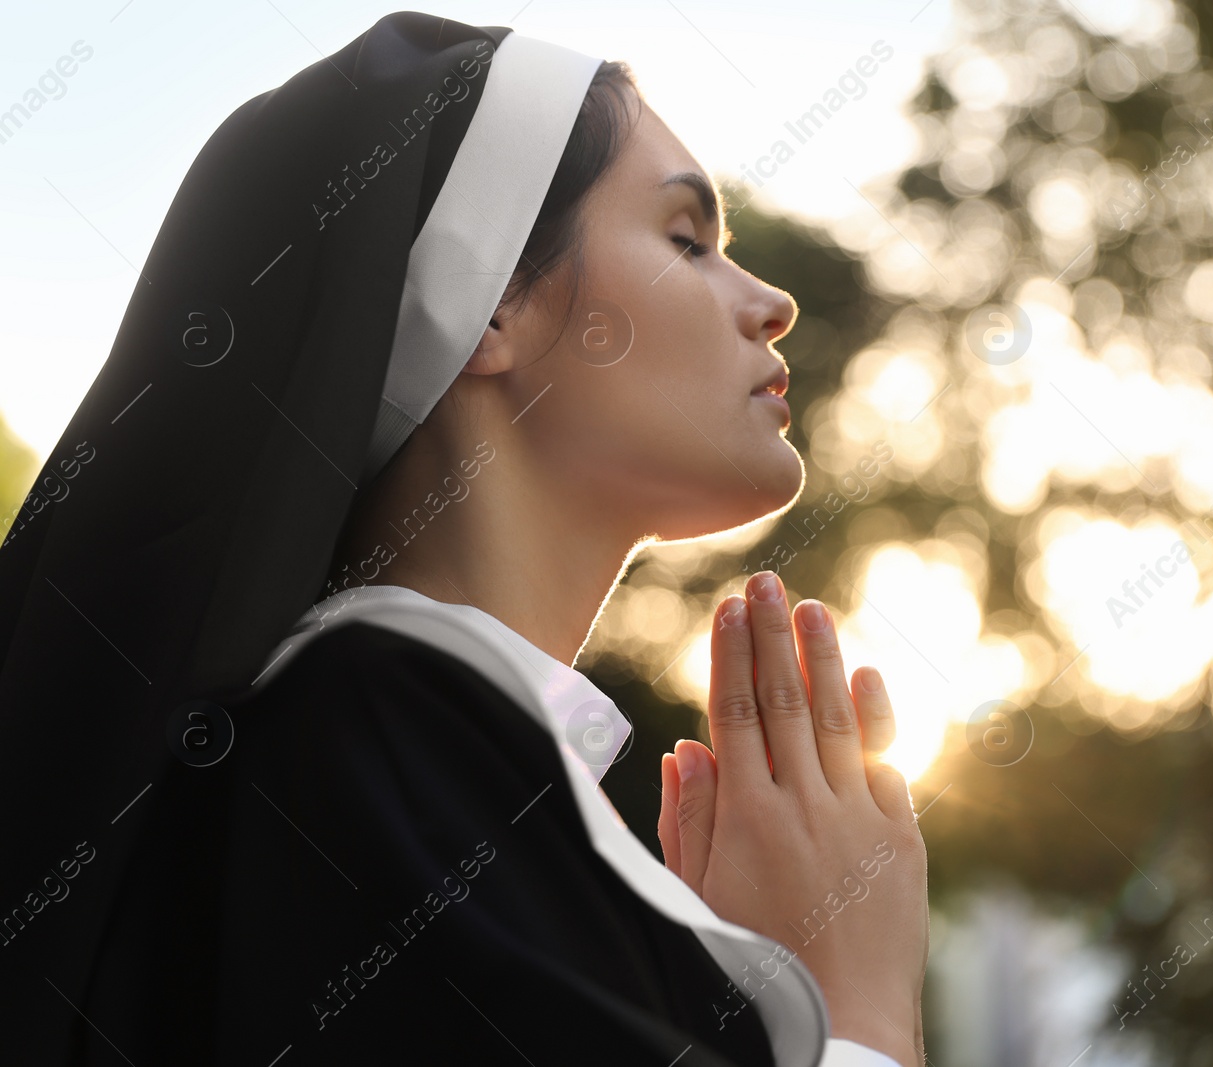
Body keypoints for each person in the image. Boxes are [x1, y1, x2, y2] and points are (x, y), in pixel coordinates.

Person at [0, 12, 927, 1066]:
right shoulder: (372, 724)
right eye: (685, 238)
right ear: (491, 305)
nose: (771, 302)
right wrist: (858, 1009)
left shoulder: (411, 744)